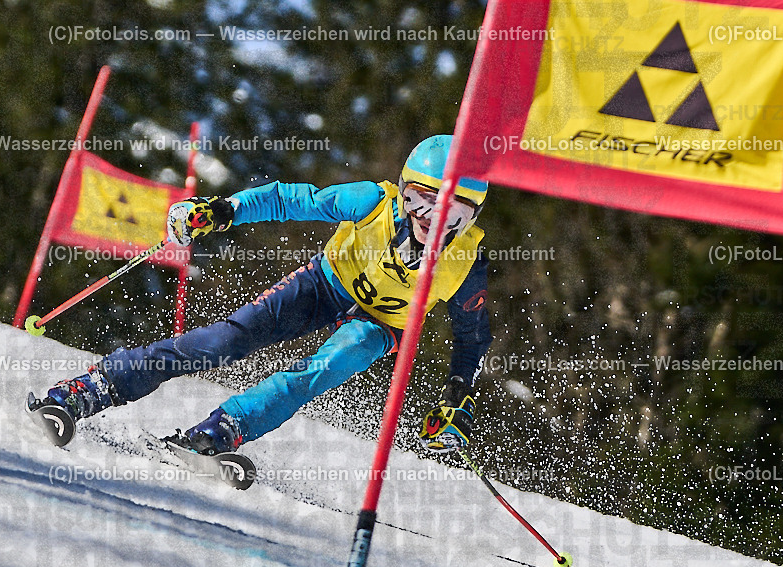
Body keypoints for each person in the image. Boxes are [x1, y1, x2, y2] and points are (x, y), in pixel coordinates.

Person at [29, 134, 492, 455]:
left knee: (320, 372)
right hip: (324, 284)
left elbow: (472, 337)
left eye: (454, 212)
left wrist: (456, 396)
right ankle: (95, 387)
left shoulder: (466, 264)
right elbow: (292, 199)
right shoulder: (372, 202)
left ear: (472, 216)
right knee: (226, 341)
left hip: (381, 325)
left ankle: (223, 430)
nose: (433, 219)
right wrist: (224, 210)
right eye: (421, 200)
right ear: (403, 191)